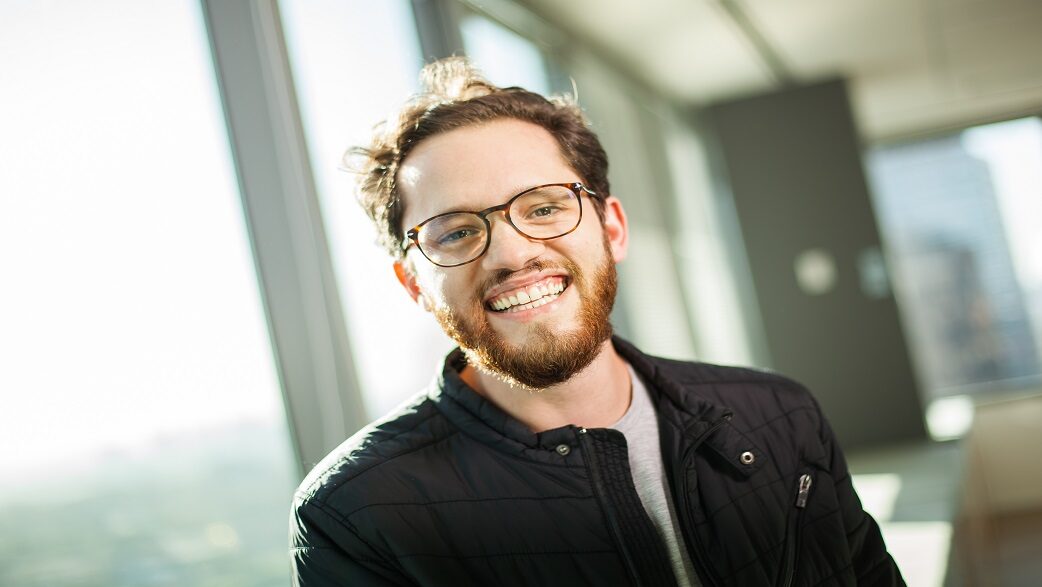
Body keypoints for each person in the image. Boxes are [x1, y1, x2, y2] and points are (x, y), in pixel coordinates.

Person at [289, 57, 904, 586]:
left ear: (611, 228)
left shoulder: (782, 417)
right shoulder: (357, 511)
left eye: (545, 207)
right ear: (413, 285)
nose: (510, 254)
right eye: (455, 232)